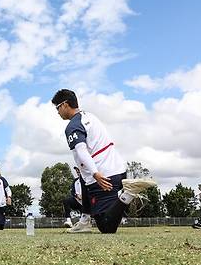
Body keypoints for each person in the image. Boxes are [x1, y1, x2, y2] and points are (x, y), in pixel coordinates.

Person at [52, 89, 156, 234]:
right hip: (117, 168)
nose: (57, 112)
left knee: (106, 227)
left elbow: (82, 151)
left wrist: (95, 174)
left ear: (65, 105)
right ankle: (84, 221)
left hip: (103, 174)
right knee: (83, 179)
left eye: (57, 108)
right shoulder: (90, 116)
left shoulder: (73, 126)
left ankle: (128, 194)